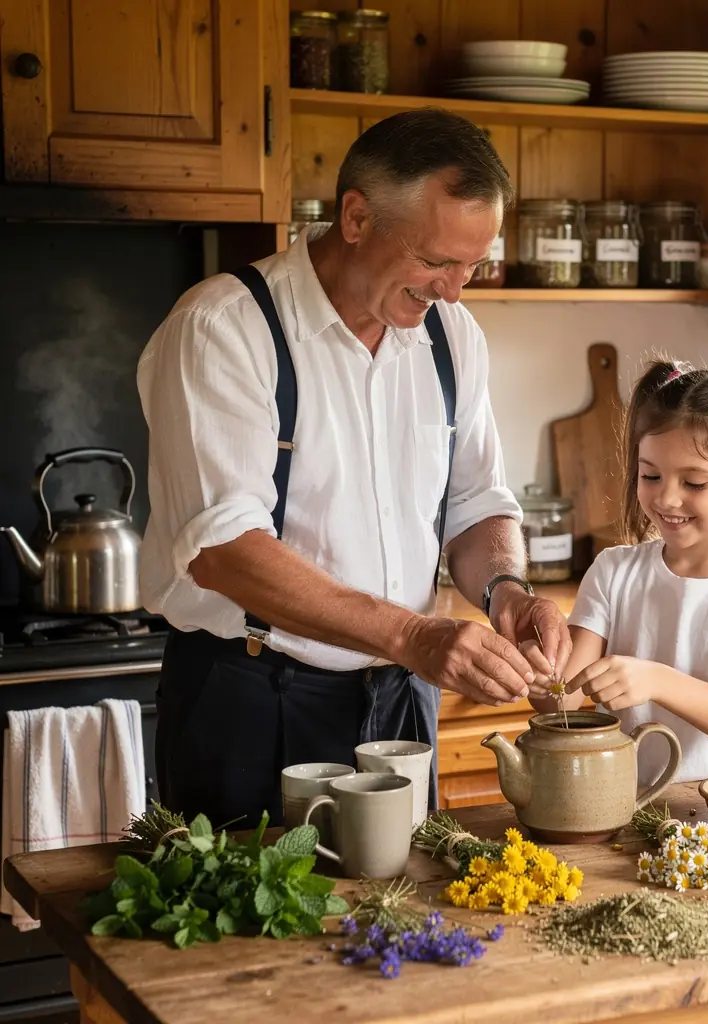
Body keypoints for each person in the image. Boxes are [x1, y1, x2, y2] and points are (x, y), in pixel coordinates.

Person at [137, 110, 571, 828]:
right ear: (358, 217)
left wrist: (507, 591)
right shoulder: (224, 327)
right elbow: (224, 553)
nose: (456, 290)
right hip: (251, 700)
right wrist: (415, 635)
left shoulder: (450, 335)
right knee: (249, 939)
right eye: (436, 261)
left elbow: (476, 502)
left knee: (408, 923)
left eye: (474, 265)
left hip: (402, 700)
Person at [524, 361, 708, 785]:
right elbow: (564, 697)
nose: (666, 497)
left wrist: (657, 680)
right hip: (626, 809)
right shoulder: (614, 572)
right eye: (651, 474)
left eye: (694, 483)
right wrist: (539, 675)